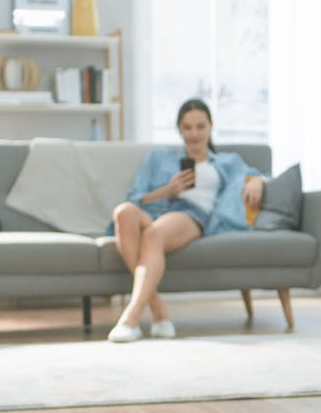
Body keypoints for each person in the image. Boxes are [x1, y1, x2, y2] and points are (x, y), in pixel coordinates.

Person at [107, 98, 265, 342]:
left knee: (153, 234)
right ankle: (160, 314)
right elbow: (136, 198)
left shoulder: (227, 162)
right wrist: (167, 190)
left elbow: (260, 175)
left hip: (191, 215)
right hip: (156, 210)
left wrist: (257, 181)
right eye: (188, 127)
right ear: (179, 130)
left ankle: (132, 317)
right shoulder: (157, 158)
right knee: (123, 212)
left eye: (200, 126)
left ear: (210, 127)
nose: (194, 134)